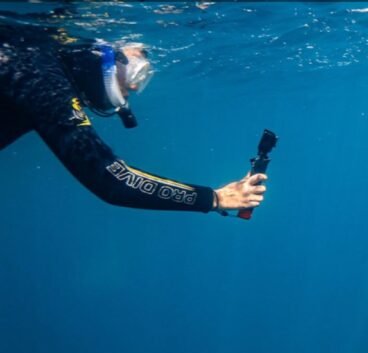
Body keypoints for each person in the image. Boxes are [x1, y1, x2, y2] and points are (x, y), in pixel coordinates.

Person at [0, 22, 266, 214]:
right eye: (137, 71)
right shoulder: (42, 76)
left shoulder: (42, 66)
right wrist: (215, 198)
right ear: (104, 52)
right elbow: (113, 180)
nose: (137, 86)